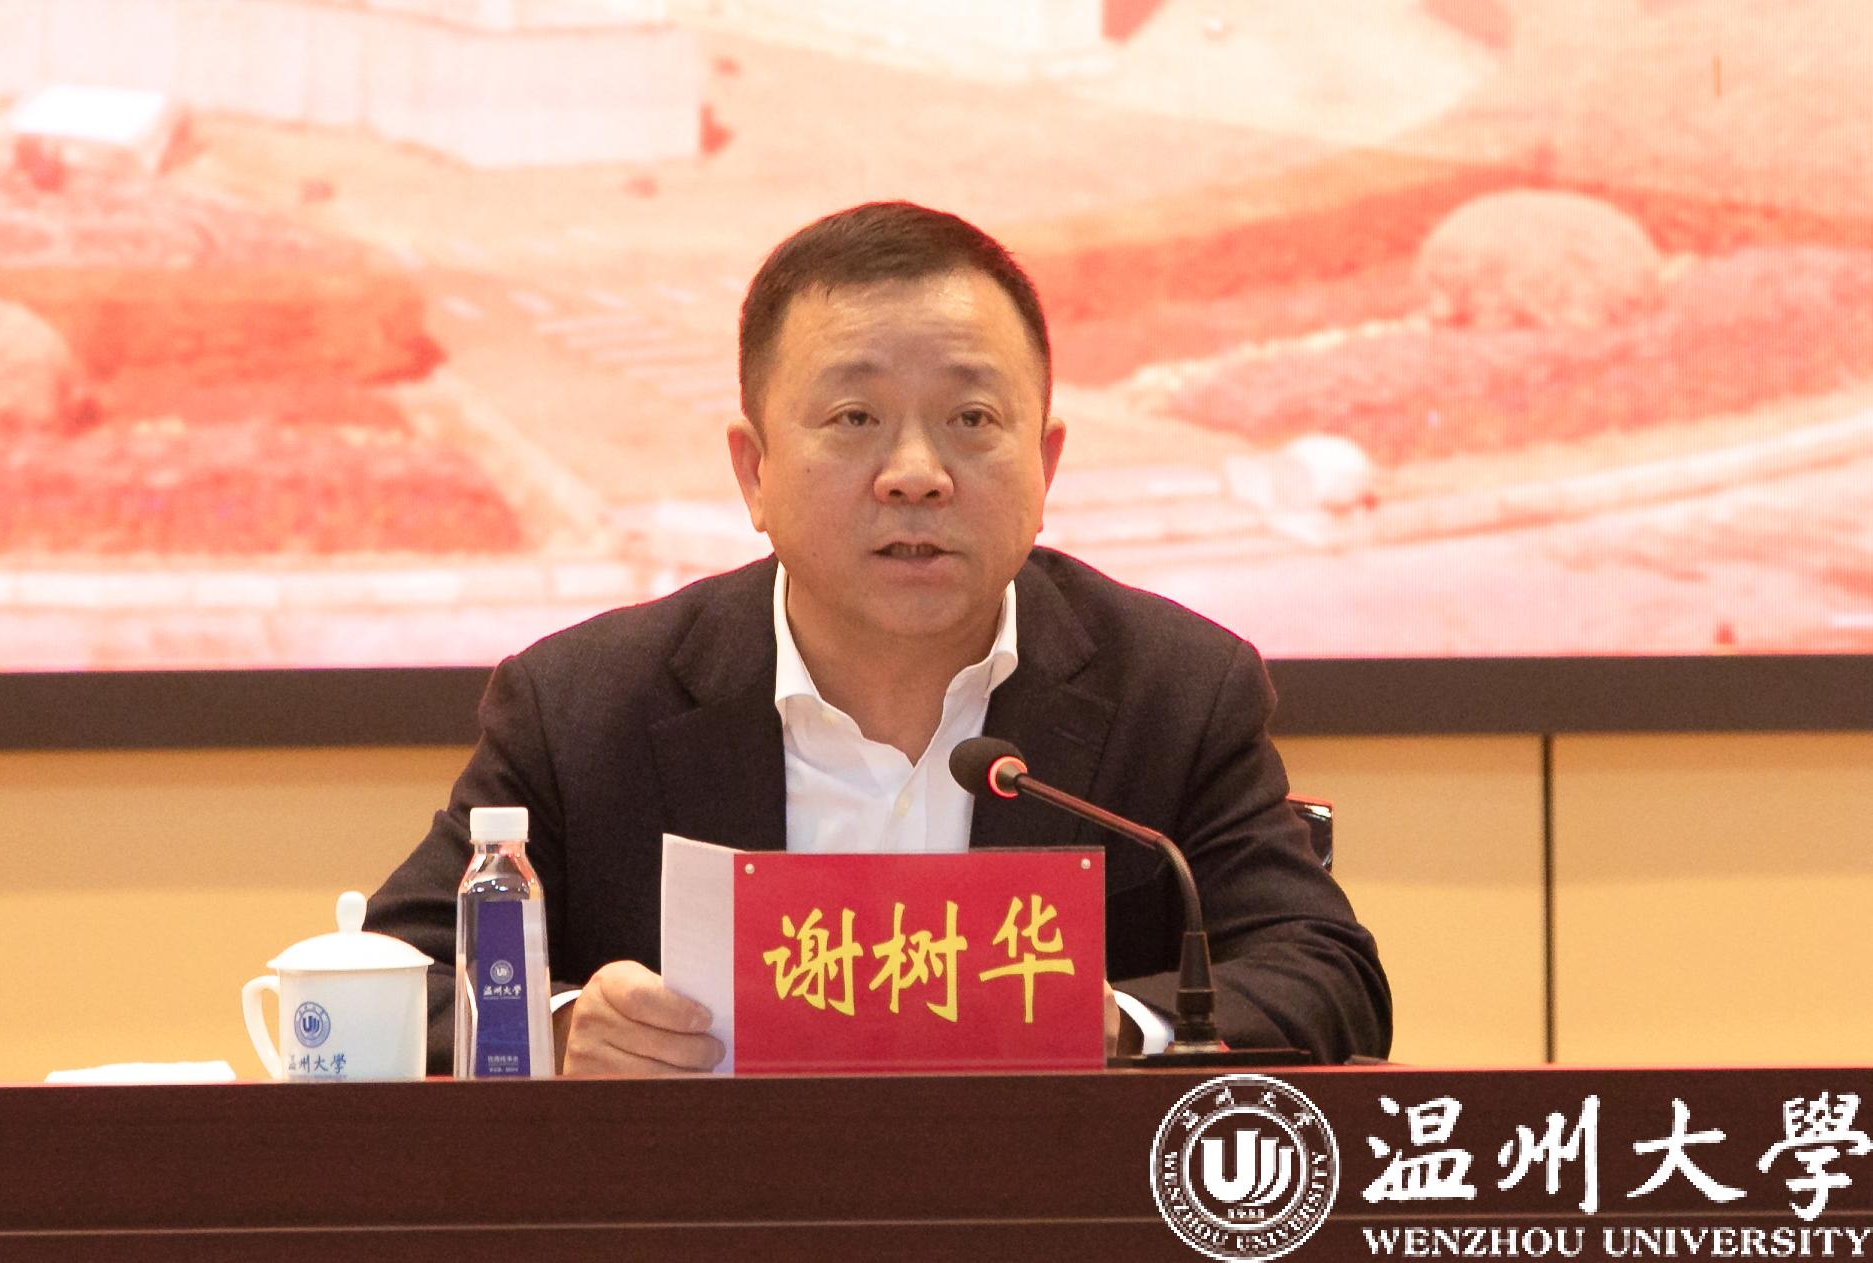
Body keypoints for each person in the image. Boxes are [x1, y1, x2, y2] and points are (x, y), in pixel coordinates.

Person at [367, 201, 1391, 1073]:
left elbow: (1323, 976)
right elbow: (395, 980)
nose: (915, 475)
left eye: (972, 419)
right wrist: (554, 1030)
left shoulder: (1174, 690)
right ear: (754, 470)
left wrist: (1118, 1025)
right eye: (854, 417)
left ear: (1046, 464)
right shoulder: (584, 707)